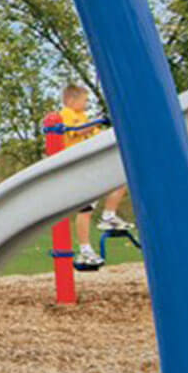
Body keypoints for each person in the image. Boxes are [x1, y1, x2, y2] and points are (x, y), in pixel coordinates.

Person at [59, 84, 134, 268]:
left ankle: (108, 215)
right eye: (84, 100)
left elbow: (96, 135)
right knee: (85, 209)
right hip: (76, 167)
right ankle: (85, 250)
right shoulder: (67, 114)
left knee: (120, 181)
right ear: (71, 100)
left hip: (90, 165)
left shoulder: (83, 117)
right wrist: (97, 121)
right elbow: (77, 130)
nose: (86, 104)